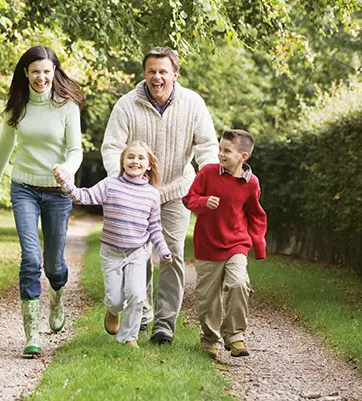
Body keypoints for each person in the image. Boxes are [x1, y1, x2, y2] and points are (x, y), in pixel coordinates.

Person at [101, 47, 219, 345]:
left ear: (175, 74)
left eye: (163, 71)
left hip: (176, 191)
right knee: (140, 255)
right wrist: (123, 183)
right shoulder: (127, 105)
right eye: (152, 71)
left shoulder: (192, 104)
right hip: (137, 195)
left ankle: (164, 324)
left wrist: (210, 179)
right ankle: (141, 315)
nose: (157, 77)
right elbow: (111, 147)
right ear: (145, 74)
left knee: (172, 254)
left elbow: (207, 146)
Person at [0, 45, 85, 357]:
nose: (41, 77)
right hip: (24, 187)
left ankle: (57, 296)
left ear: (55, 73)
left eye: (46, 71)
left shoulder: (67, 106)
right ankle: (31, 334)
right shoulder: (17, 105)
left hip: (57, 193)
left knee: (54, 266)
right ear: (26, 73)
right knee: (30, 258)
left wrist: (66, 170)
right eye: (35, 71)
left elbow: (75, 150)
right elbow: (5, 144)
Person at [53, 141, 173, 348]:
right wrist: (66, 183)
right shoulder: (110, 185)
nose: (135, 161)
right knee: (116, 299)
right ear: (123, 161)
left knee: (137, 295)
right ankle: (113, 310)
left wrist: (163, 250)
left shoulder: (152, 195)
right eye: (131, 157)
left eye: (140, 158)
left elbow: (154, 227)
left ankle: (129, 337)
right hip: (111, 252)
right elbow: (83, 196)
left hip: (137, 252)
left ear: (149, 165)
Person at [182, 129, 267, 359]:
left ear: (243, 157)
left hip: (236, 244)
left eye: (227, 151)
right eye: (220, 149)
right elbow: (189, 199)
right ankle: (210, 339)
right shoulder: (208, 173)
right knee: (207, 298)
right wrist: (203, 201)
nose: (220, 154)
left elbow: (256, 215)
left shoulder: (251, 183)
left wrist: (258, 245)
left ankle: (235, 336)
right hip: (207, 245)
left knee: (239, 283)